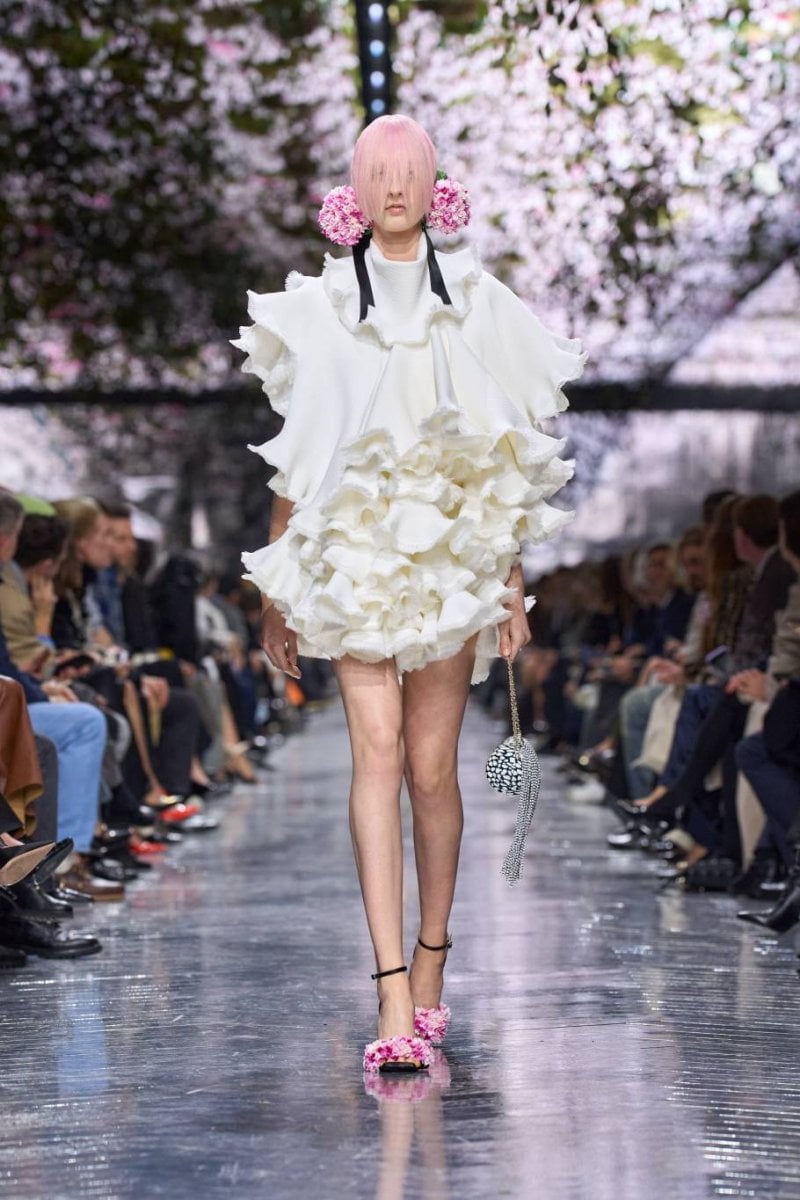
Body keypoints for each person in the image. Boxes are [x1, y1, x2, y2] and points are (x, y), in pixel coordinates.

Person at [233, 115, 585, 1073]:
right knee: (376, 757)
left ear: (437, 186)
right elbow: (299, 453)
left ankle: (432, 958)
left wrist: (511, 579)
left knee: (432, 770)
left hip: (450, 552)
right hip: (352, 550)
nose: (394, 187)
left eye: (410, 171)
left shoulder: (477, 300)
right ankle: (391, 989)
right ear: (353, 188)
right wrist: (276, 588)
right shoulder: (315, 309)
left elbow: (503, 448)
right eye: (377, 172)